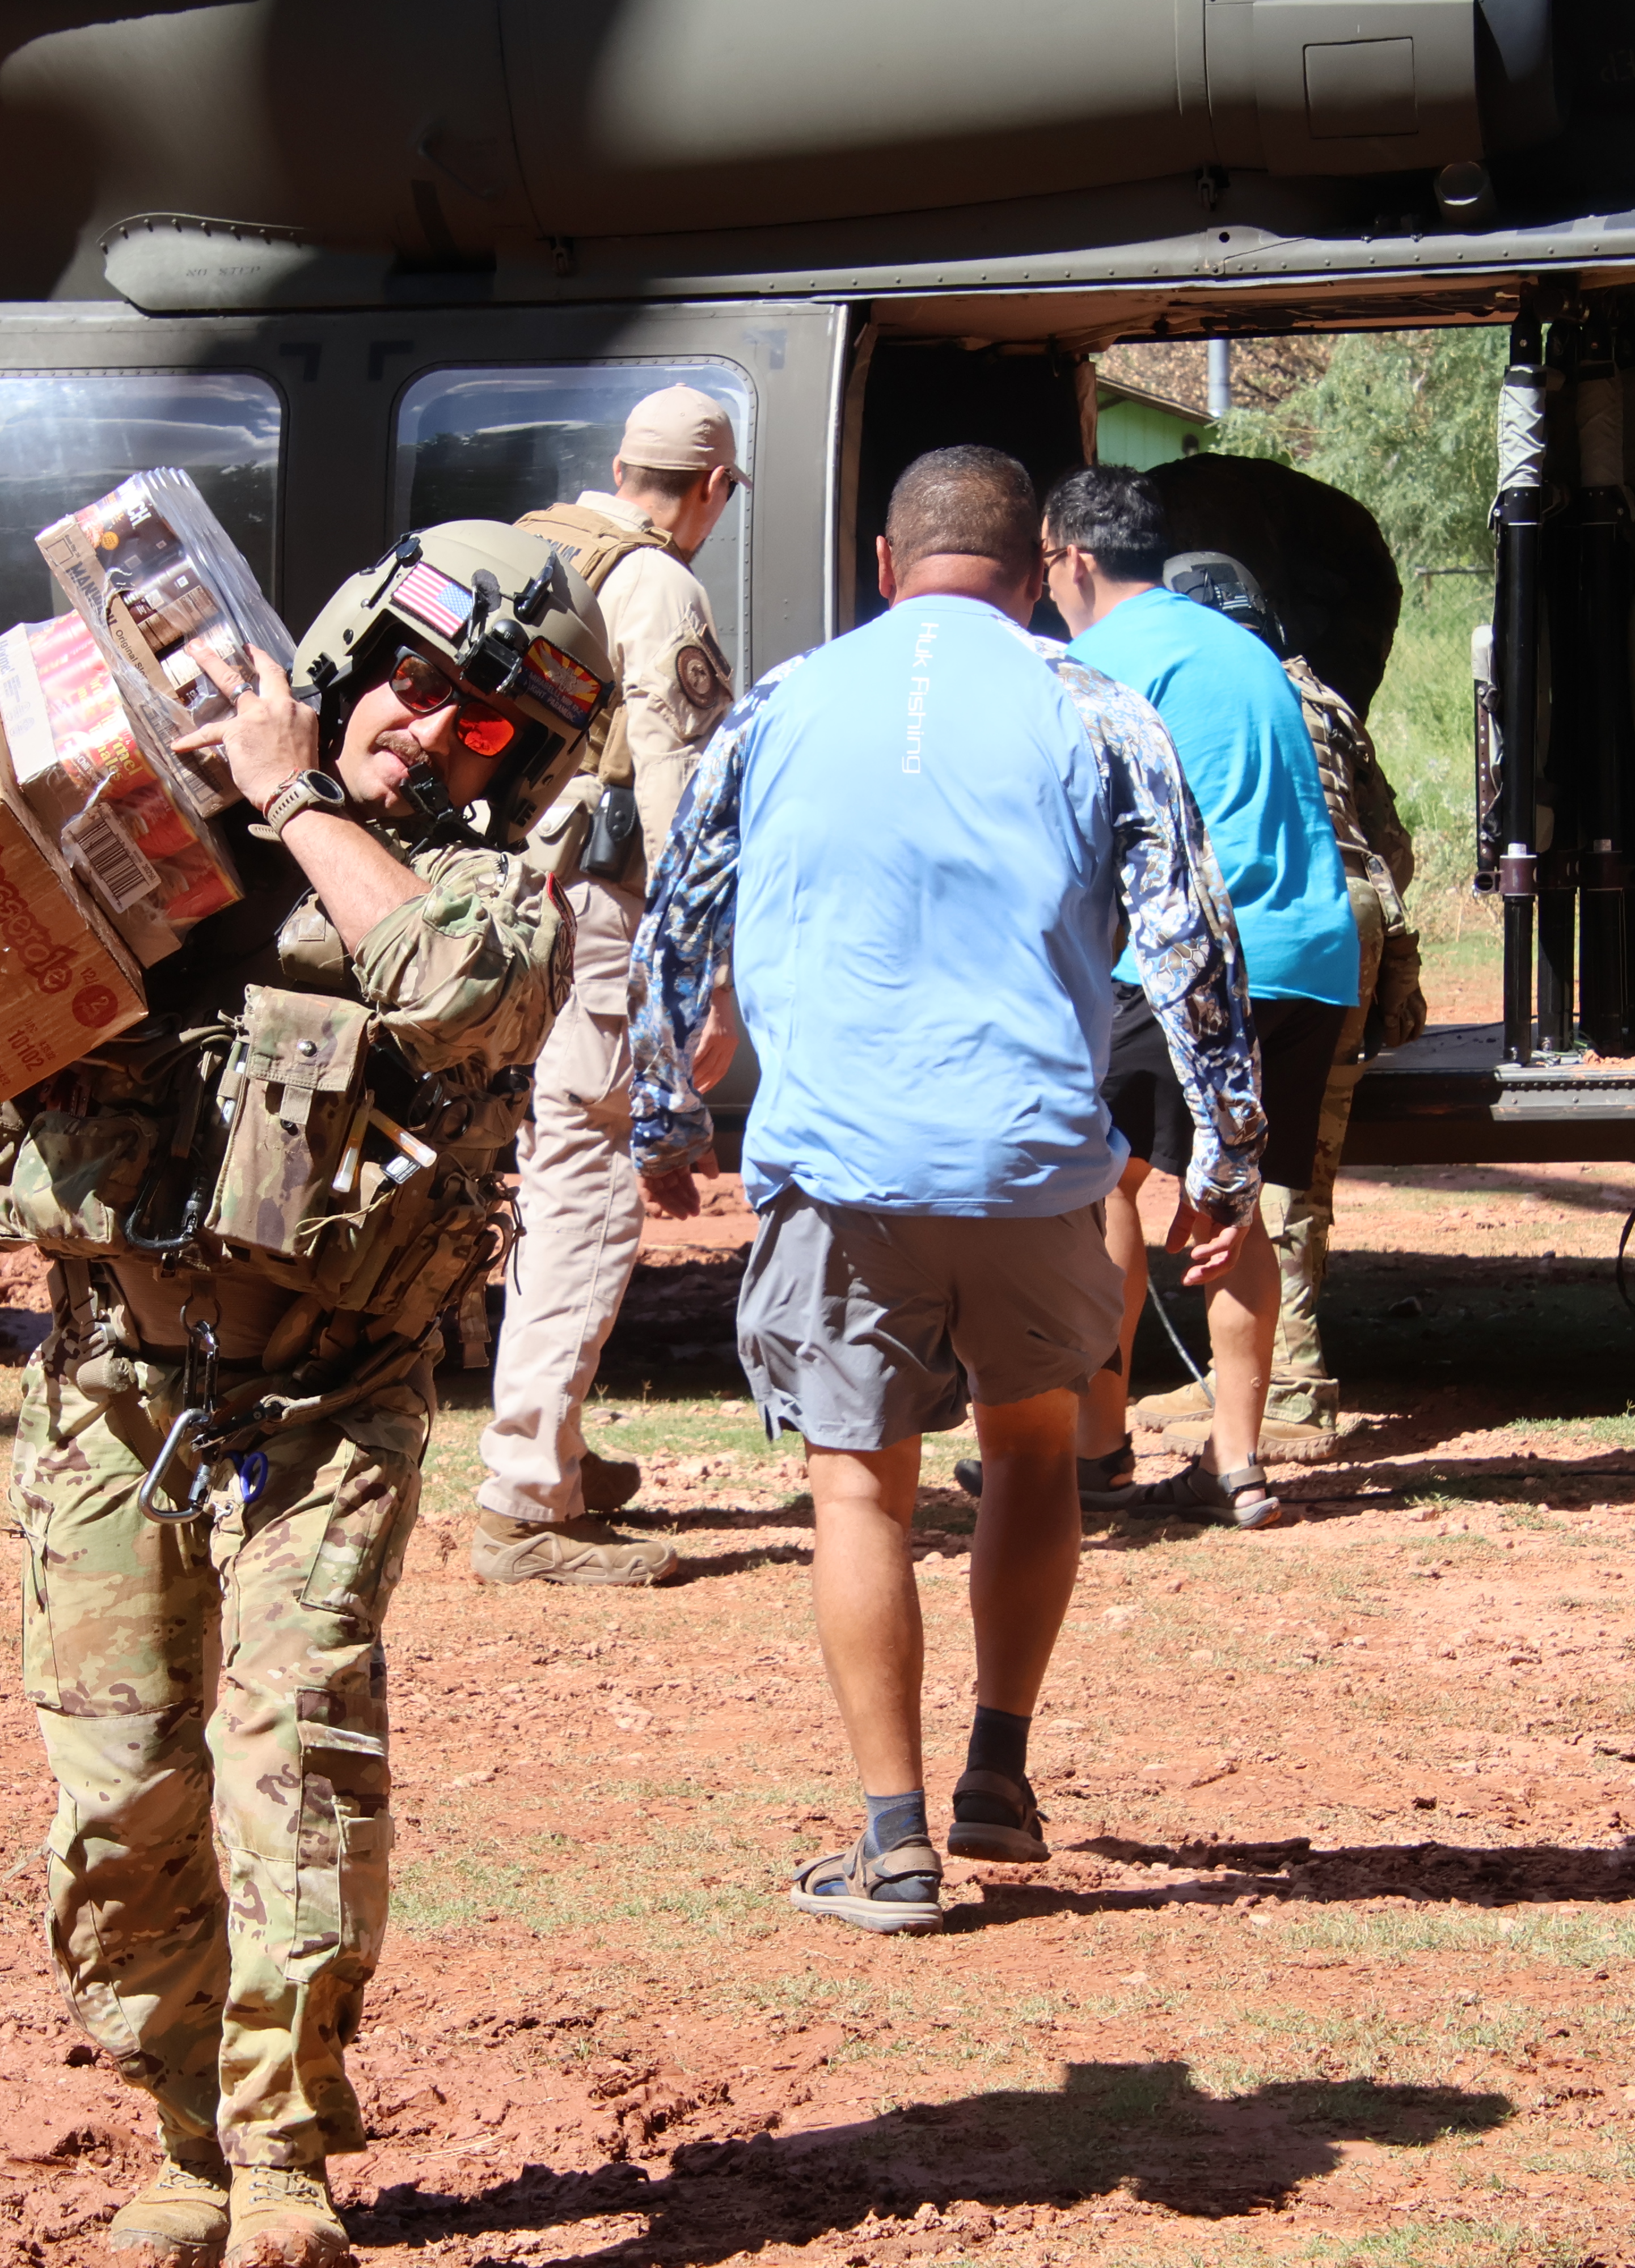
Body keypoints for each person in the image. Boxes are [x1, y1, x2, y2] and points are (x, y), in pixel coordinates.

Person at [0, 524, 607, 2268]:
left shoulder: (482, 897)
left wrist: (303, 795)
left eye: (483, 727)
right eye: (415, 681)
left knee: (297, 1769)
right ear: (347, 648)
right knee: (118, 1806)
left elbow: (469, 997)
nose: (433, 730)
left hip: (327, 1413)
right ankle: (185, 2133)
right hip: (114, 1387)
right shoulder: (144, 839)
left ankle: (286, 2165)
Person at [628, 446, 1262, 1936]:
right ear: (1040, 564)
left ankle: (893, 1842)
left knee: (858, 1480)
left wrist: (665, 1109)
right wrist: (1224, 1154)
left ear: (879, 556)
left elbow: (677, 909)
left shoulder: (778, 709)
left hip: (840, 1157)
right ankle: (1000, 1774)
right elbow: (1191, 943)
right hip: (1036, 1151)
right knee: (1034, 1452)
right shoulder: (1094, 706)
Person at [1038, 472, 1358, 1527]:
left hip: (1197, 962)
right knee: (1234, 1200)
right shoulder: (1239, 642)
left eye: (1045, 566)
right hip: (1311, 954)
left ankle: (1095, 1451)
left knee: (1112, 1183)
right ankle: (1238, 1465)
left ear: (1076, 559)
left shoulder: (1099, 664)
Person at [472, 384, 747, 1587]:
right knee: (591, 1179)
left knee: (552, 1167)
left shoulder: (531, 546)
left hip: (504, 907)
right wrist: (707, 974)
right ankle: (527, 1499)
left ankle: (559, 1453)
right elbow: (680, 794)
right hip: (600, 913)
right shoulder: (659, 584)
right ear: (713, 489)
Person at [1137, 552, 1427, 1461]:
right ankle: (1252, 1372)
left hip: (1251, 927)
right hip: (1346, 919)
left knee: (1259, 1161)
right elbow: (1392, 844)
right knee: (1295, 1156)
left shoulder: (1198, 686)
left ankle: (1290, 1389)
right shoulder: (1315, 691)